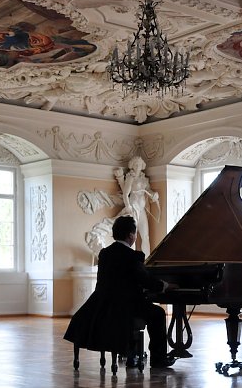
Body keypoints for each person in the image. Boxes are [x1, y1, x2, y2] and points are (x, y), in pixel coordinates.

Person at [64, 215, 176, 368]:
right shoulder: (133, 256)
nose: (135, 236)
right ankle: (158, 359)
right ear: (130, 235)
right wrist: (165, 285)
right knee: (158, 314)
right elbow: (145, 280)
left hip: (102, 304)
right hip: (126, 307)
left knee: (148, 310)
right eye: (135, 233)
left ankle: (133, 354)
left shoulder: (104, 254)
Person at [115, 156, 159, 256]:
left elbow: (149, 191)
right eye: (135, 164)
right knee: (131, 236)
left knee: (145, 236)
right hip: (134, 208)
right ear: (132, 166)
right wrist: (128, 206)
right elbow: (125, 194)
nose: (137, 166)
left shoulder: (144, 179)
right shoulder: (130, 177)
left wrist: (154, 195)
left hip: (141, 209)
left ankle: (147, 259)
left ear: (142, 165)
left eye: (139, 164)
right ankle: (130, 259)